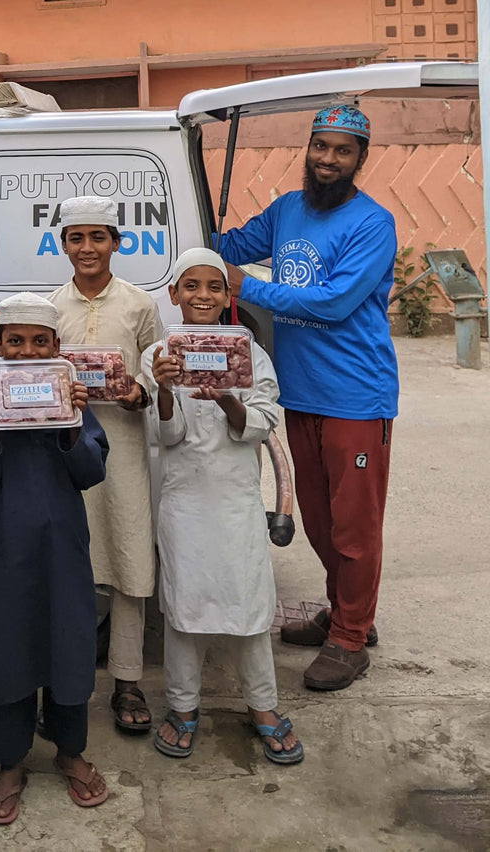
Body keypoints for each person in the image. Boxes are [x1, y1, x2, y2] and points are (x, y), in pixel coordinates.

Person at [218, 105, 393, 691]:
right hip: (302, 393)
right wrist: (184, 237)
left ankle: (350, 637)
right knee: (318, 516)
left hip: (356, 397)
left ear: (359, 159)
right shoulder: (288, 210)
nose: (327, 160)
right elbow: (236, 244)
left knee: (355, 524)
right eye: (321, 146)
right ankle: (346, 611)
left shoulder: (373, 223)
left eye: (342, 151)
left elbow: (335, 302)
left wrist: (252, 286)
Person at [143, 248, 304, 766]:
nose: (203, 296)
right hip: (183, 501)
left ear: (228, 296)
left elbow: (263, 419)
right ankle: (183, 708)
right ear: (174, 295)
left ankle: (263, 706)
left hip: (235, 501)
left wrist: (226, 396)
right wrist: (167, 390)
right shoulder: (158, 355)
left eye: (214, 287)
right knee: (183, 610)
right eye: (191, 286)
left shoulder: (251, 354)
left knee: (250, 606)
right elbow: (165, 437)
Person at [0, 292, 111, 826]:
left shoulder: (72, 398)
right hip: (9, 553)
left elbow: (91, 471)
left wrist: (71, 419)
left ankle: (70, 752)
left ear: (56, 347)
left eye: (40, 342)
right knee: (11, 648)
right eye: (15, 342)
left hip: (65, 550)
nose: (27, 353)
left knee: (70, 646)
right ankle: (10, 762)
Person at [48, 195, 161, 734]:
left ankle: (128, 681)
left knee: (128, 559)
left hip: (125, 451)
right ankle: (65, 681)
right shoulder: (51, 307)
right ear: (62, 244)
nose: (87, 248)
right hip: (67, 455)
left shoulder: (139, 306)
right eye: (76, 238)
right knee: (69, 567)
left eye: (98, 237)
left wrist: (140, 391)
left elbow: (162, 371)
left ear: (117, 242)